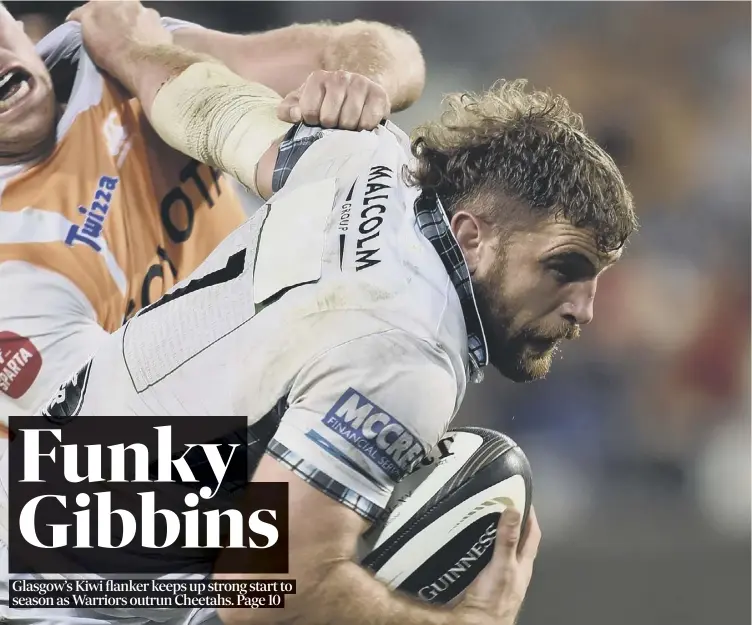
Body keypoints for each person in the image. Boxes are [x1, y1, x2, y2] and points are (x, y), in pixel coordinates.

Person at [31, 1, 638, 624]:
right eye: (564, 268)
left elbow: (204, 106)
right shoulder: (409, 355)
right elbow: (267, 599)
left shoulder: (364, 156)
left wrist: (131, 43)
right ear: (473, 236)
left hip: (55, 480)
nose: (585, 309)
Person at [0, 0, 426, 417]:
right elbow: (136, 464)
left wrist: (355, 85)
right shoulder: (13, 288)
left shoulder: (103, 49)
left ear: (17, 24)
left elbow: (391, 50)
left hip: (296, 371)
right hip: (163, 468)